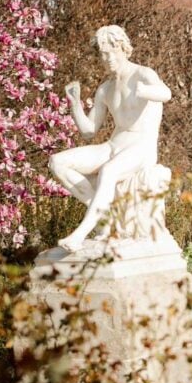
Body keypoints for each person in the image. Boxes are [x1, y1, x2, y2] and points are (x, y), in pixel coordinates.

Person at [48, 25, 172, 252]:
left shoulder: (143, 74)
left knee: (109, 171)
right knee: (58, 162)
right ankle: (105, 218)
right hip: (113, 145)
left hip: (141, 148)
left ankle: (80, 234)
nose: (106, 59)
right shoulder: (105, 89)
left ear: (122, 48)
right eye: (102, 55)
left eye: (109, 53)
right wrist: (75, 104)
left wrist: (144, 92)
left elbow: (166, 93)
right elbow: (89, 131)